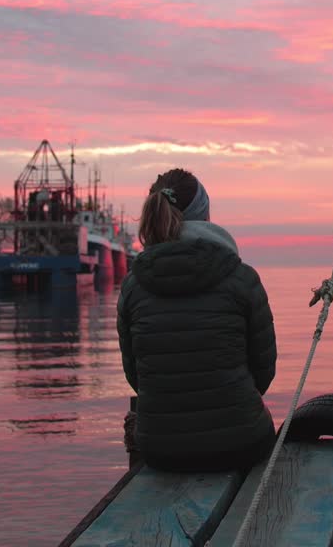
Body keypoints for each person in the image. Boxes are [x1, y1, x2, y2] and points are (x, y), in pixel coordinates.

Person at [117, 168, 277, 471]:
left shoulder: (132, 286)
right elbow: (263, 372)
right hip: (242, 443)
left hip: (160, 449)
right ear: (205, 215)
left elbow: (135, 375)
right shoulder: (242, 278)